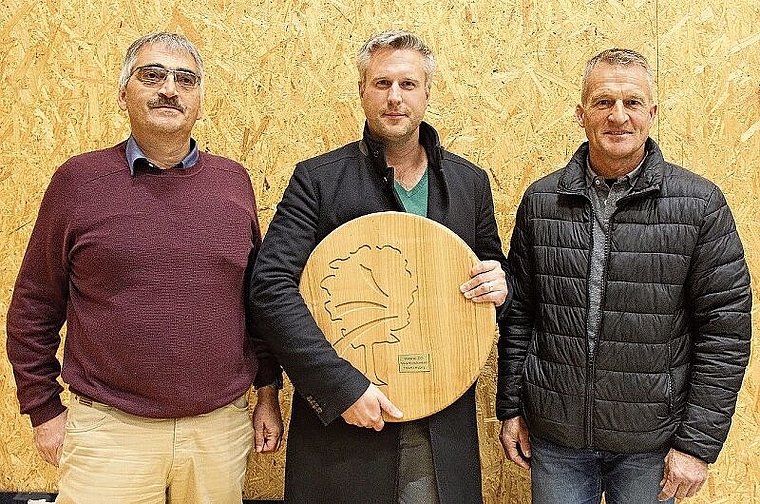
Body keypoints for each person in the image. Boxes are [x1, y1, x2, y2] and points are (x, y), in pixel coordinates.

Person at [6, 32, 283, 503]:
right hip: (110, 434)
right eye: (151, 75)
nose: (169, 89)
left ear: (198, 97)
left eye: (184, 79)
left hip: (217, 432)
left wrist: (269, 393)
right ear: (123, 93)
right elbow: (34, 305)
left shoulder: (232, 183)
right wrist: (44, 410)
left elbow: (253, 303)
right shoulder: (79, 181)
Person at [249, 30, 510, 503]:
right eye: (382, 83)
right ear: (362, 91)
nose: (395, 97)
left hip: (440, 429)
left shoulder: (469, 183)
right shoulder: (319, 179)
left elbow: (494, 278)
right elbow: (270, 287)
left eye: (408, 84)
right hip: (346, 434)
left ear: (428, 93)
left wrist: (501, 282)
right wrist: (341, 387)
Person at [496, 48, 752, 504]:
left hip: (650, 444)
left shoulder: (699, 205)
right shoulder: (542, 202)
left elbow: (725, 333)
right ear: (581, 114)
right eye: (603, 102)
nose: (618, 116)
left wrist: (696, 445)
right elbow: (521, 316)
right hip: (557, 442)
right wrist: (512, 407)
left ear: (652, 113)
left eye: (632, 102)